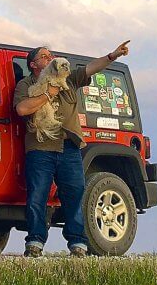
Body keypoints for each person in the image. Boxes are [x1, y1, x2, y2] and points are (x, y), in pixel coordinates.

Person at [13, 41, 131, 257]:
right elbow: (22, 109)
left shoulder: (68, 80)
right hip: (40, 147)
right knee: (37, 196)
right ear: (33, 64)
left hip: (69, 147)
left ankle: (78, 244)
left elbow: (90, 68)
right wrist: (48, 93)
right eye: (45, 56)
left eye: (51, 56)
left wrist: (113, 55)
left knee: (75, 195)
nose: (50, 58)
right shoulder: (26, 84)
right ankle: (35, 242)